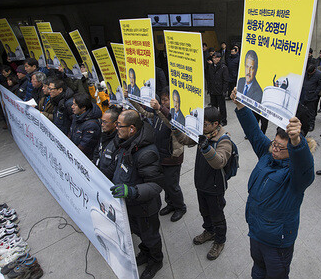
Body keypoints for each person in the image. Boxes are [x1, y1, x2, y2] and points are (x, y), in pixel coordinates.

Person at [232, 87, 314, 279]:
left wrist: (296, 142)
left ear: (292, 150)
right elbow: (254, 132)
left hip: (277, 241)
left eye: (280, 147)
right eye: (274, 144)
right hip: (256, 231)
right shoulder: (267, 153)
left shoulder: (296, 175)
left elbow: (303, 165)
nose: (274, 149)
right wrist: (241, 106)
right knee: (258, 269)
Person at [99, 110, 164, 279]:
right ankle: (145, 252)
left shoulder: (147, 153)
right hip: (130, 205)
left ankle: (156, 260)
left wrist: (132, 191)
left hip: (144, 207)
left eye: (120, 126)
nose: (116, 128)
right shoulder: (125, 142)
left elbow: (156, 185)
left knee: (150, 236)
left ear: (132, 129)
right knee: (139, 233)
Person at [174, 107, 233, 261]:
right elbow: (185, 140)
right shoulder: (203, 134)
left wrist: (206, 147)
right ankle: (209, 231)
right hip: (201, 183)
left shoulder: (224, 139)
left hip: (215, 187)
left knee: (217, 214)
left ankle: (220, 241)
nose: (202, 127)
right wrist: (176, 129)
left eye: (205, 124)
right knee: (204, 211)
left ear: (216, 124)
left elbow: (219, 162)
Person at [138, 89, 188, 222]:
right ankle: (170, 204)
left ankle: (180, 207)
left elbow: (170, 120)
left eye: (166, 100)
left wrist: (160, 108)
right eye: (162, 99)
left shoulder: (177, 116)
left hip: (172, 157)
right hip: (160, 155)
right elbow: (144, 112)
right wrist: (132, 99)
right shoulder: (158, 113)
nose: (163, 102)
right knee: (165, 183)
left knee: (172, 185)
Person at [69, 93, 102, 158]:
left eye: (75, 105)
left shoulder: (91, 125)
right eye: (73, 104)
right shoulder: (76, 117)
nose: (72, 107)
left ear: (83, 108)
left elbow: (84, 146)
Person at [206, 52, 229, 125]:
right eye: (213, 58)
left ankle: (223, 120)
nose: (214, 59)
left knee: (222, 107)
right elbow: (209, 78)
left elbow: (226, 80)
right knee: (214, 107)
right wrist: (209, 89)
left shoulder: (223, 67)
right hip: (213, 90)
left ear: (219, 58)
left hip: (220, 90)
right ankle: (215, 120)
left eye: (216, 58)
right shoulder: (211, 66)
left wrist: (224, 91)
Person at [300, 63, 321, 132]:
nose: (309, 74)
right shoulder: (305, 72)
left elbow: (320, 86)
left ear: (314, 70)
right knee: (302, 110)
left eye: (311, 73)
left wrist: (315, 94)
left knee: (311, 112)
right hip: (303, 95)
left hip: (312, 96)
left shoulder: (319, 75)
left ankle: (311, 124)